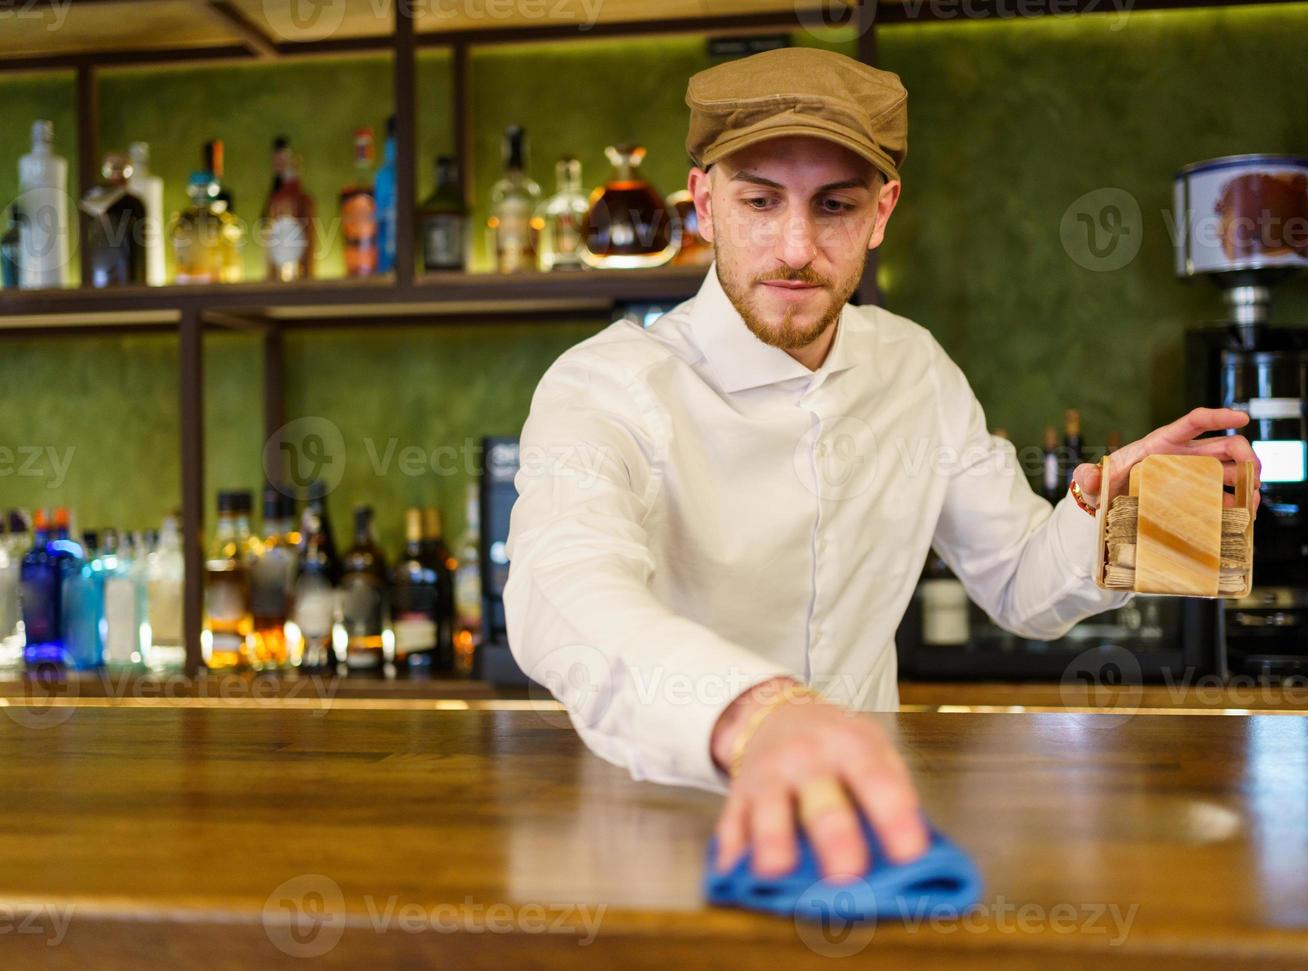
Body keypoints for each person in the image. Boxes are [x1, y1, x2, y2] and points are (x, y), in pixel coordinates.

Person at [504, 47, 1260, 883]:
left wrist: (1122, 506)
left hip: (872, 839)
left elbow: (1019, 584)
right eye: (760, 201)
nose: (796, 248)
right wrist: (752, 715)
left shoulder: (915, 367)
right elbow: (561, 588)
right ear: (705, 202)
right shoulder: (604, 383)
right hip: (663, 833)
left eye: (834, 206)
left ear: (882, 210)